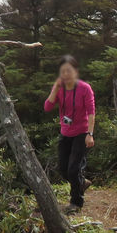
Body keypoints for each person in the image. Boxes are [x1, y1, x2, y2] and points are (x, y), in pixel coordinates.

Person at [44, 55, 95, 214]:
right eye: (62, 71)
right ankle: (81, 182)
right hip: (65, 133)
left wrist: (90, 134)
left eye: (69, 70)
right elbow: (47, 107)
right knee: (63, 168)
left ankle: (76, 202)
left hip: (81, 132)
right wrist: (55, 88)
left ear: (76, 71)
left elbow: (91, 113)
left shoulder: (85, 88)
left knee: (73, 169)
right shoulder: (59, 88)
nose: (66, 74)